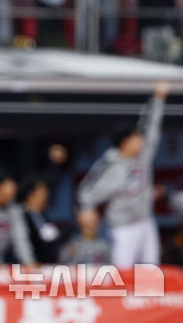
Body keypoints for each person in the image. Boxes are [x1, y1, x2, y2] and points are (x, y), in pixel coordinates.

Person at [77, 81, 169, 268]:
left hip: (145, 220)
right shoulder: (110, 164)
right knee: (122, 270)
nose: (140, 142)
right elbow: (86, 190)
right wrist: (86, 208)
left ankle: (147, 298)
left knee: (151, 268)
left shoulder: (143, 156)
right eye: (135, 139)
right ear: (125, 142)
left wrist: (158, 100)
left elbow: (151, 128)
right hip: (123, 226)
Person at [18, 175, 61, 264]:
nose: (47, 195)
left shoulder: (44, 217)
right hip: (25, 270)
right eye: (43, 192)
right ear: (31, 194)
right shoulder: (20, 217)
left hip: (46, 269)